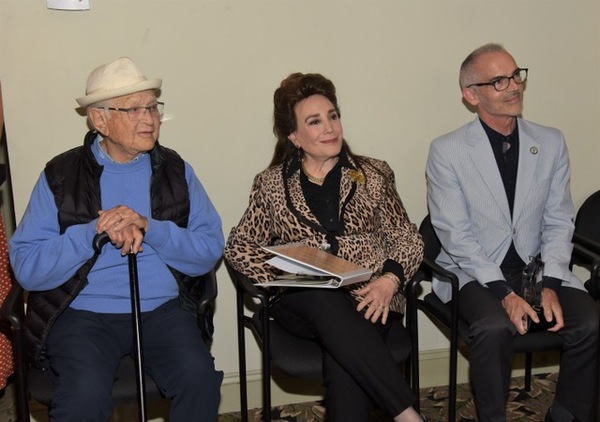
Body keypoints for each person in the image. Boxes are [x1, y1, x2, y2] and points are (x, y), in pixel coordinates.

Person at [9, 57, 224, 421]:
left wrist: (151, 227)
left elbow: (208, 249)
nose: (150, 118)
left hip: (162, 310)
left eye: (153, 107)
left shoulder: (175, 170)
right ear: (100, 120)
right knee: (82, 399)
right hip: (82, 314)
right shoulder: (60, 175)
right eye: (134, 109)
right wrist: (92, 232)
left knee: (199, 380)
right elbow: (28, 269)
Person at [225, 72, 424, 422]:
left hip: (370, 295)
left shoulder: (374, 174)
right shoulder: (271, 184)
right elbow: (239, 245)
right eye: (314, 122)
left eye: (333, 116)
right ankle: (407, 414)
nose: (329, 128)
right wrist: (285, 269)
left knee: (345, 360)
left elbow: (407, 236)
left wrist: (389, 280)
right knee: (320, 295)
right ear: (294, 136)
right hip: (303, 302)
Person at [425, 43, 599, 422]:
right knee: (492, 327)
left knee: (590, 322)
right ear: (472, 96)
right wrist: (504, 293)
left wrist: (551, 282)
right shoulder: (448, 151)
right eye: (498, 80)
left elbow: (558, 219)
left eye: (516, 75)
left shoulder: (550, 142)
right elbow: (456, 236)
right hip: (473, 271)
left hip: (538, 268)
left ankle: (568, 415)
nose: (514, 86)